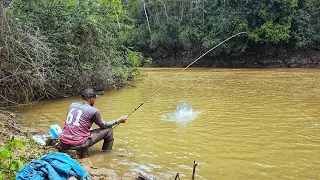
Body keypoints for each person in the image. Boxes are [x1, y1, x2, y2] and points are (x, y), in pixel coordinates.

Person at [59, 88, 127, 158]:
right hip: (77, 144)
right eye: (95, 98)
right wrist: (118, 120)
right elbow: (103, 125)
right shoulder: (93, 110)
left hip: (63, 141)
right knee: (109, 130)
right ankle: (106, 155)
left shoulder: (72, 105)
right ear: (92, 99)